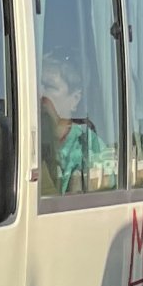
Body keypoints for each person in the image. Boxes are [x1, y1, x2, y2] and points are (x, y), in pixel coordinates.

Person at [39, 55, 113, 193]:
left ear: (75, 99)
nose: (39, 93)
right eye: (38, 85)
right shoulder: (25, 143)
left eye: (49, 86)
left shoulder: (89, 147)